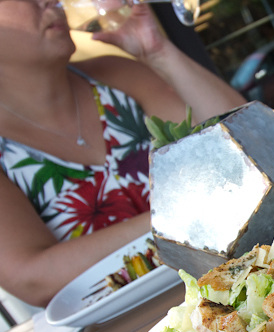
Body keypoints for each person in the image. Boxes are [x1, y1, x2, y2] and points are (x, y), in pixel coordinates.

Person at [0, 0, 247, 307]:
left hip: (223, 283)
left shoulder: (115, 76)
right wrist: (186, 211)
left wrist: (158, 53)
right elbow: (33, 278)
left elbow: (246, 138)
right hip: (120, 327)